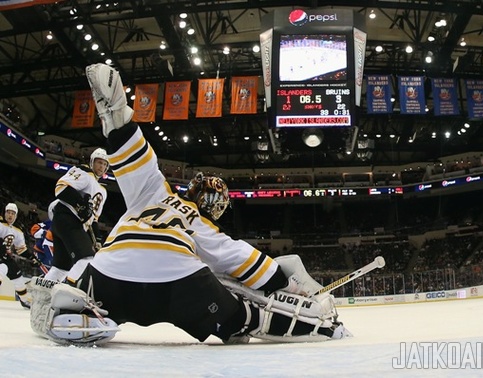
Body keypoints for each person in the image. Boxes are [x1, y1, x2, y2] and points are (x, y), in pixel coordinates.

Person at [29, 63, 349, 346]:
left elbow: (136, 161)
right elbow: (246, 263)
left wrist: (117, 120)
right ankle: (322, 329)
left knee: (83, 268)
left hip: (110, 277)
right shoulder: (201, 225)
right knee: (244, 317)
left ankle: (73, 307)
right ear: (215, 206)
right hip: (180, 285)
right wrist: (286, 282)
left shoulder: (155, 191)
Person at [43, 148, 109, 283]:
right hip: (67, 219)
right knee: (87, 259)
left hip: (68, 224)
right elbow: (61, 188)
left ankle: (42, 298)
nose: (101, 166)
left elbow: (93, 219)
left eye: (104, 164)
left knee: (61, 268)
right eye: (99, 162)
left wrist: (97, 239)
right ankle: (68, 291)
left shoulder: (102, 190)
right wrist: (80, 205)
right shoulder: (85, 172)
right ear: (92, 162)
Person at [0, 203, 42, 308]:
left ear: (16, 215)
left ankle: (24, 299)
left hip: (5, 257)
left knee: (18, 277)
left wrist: (32, 258)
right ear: (4, 213)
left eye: (13, 213)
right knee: (2, 270)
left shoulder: (17, 231)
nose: (10, 215)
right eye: (8, 212)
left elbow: (21, 249)